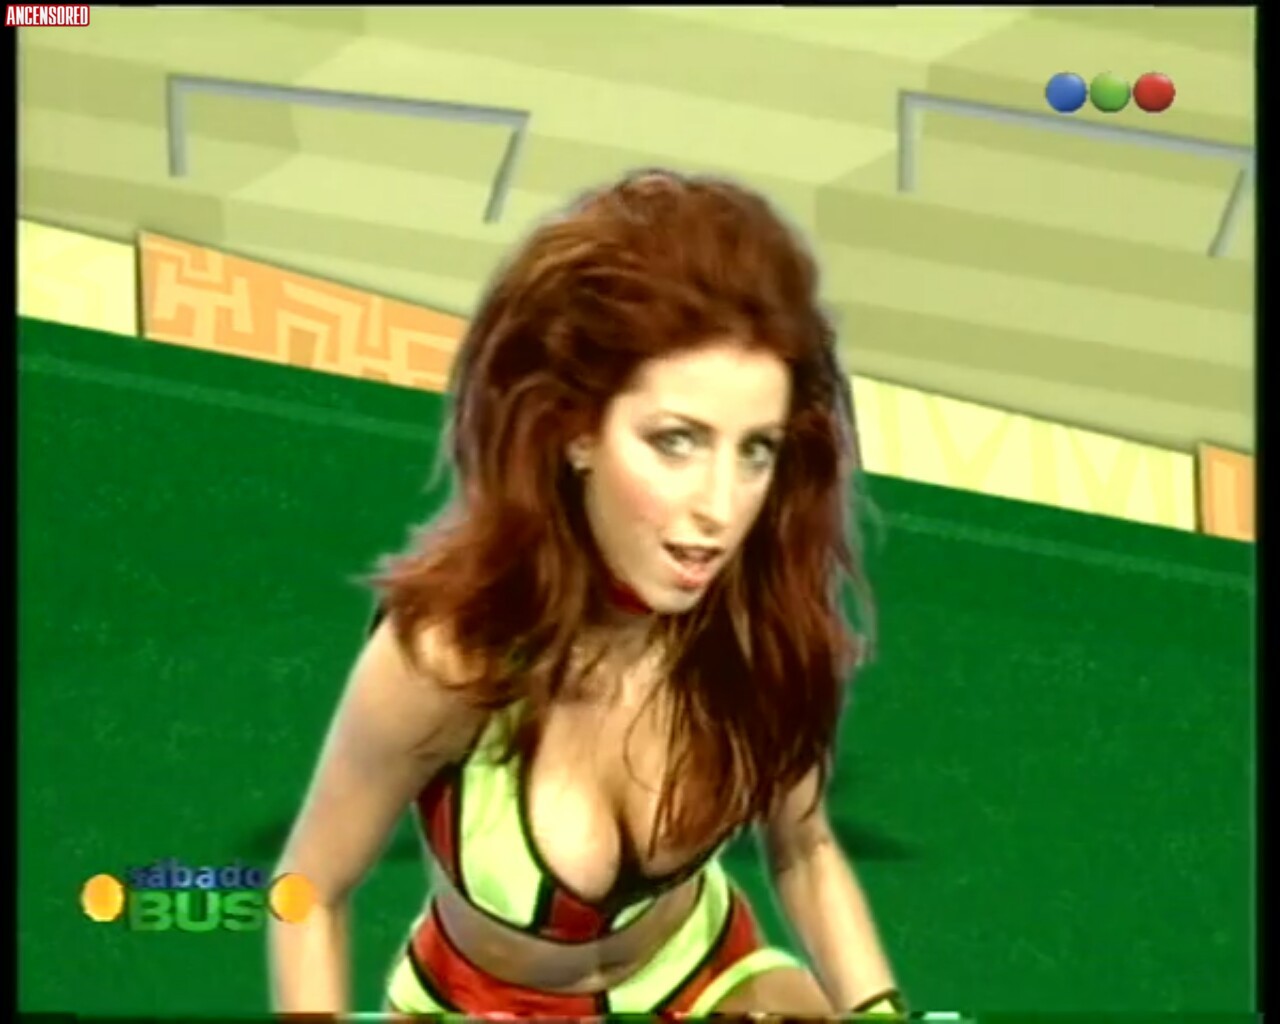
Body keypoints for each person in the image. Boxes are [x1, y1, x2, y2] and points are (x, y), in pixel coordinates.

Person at [268, 169, 904, 1017]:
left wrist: (880, 1013)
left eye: (756, 450)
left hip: (702, 971)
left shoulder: (760, 629)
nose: (720, 509)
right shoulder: (447, 657)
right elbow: (309, 892)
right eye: (676, 441)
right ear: (576, 431)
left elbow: (805, 850)